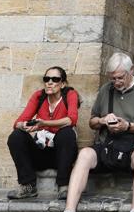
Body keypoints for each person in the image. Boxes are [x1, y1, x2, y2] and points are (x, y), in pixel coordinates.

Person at [54, 52, 134, 212]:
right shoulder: (105, 90)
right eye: (113, 78)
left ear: (131, 70)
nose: (116, 82)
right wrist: (103, 120)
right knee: (85, 153)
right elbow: (92, 122)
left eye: (120, 77)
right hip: (107, 145)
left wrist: (128, 125)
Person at [6, 66, 80, 201]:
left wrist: (44, 123)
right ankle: (28, 186)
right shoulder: (39, 96)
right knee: (16, 136)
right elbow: (17, 122)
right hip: (41, 151)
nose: (49, 82)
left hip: (62, 153)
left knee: (67, 133)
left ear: (63, 83)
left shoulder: (70, 94)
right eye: (46, 79)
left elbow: (71, 120)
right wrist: (26, 125)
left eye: (55, 79)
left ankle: (63, 185)